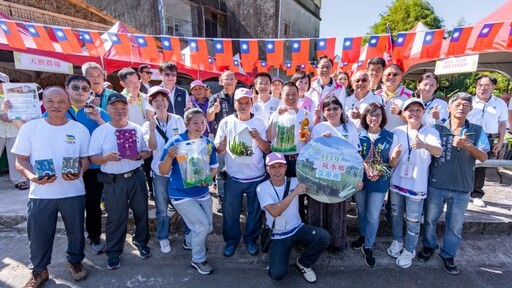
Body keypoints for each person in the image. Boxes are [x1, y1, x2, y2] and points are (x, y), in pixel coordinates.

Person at [12, 87, 91, 286]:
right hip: (40, 193)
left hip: (73, 191)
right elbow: (20, 160)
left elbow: (85, 159)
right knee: (38, 234)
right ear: (43, 103)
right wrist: (32, 176)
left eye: (61, 101)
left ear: (68, 103)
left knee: (76, 232)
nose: (56, 105)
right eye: (50, 101)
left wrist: (80, 172)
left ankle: (75, 261)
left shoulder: (78, 129)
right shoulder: (30, 128)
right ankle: (39, 269)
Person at [419, 92, 489, 275]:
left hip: (462, 188)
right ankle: (429, 246)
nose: (461, 107)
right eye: (457, 104)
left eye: (466, 104)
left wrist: (468, 146)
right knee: (429, 220)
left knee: (455, 225)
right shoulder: (437, 129)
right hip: (436, 184)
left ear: (471, 108)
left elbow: (483, 157)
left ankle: (448, 254)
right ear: (449, 107)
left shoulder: (477, 130)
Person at [89, 93, 152, 270]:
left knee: (142, 212)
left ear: (128, 109)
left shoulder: (136, 129)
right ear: (107, 110)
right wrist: (105, 158)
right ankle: (114, 251)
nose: (119, 111)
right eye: (115, 107)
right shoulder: (101, 131)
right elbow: (93, 158)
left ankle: (141, 241)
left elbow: (147, 151)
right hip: (113, 181)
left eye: (123, 107)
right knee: (116, 217)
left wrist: (139, 155)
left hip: (136, 177)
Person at [158, 108, 218, 274]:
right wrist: (169, 157)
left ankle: (189, 242)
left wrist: (207, 179)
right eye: (195, 122)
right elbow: (162, 171)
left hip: (202, 192)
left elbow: (214, 168)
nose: (200, 126)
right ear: (187, 124)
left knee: (209, 227)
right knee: (201, 227)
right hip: (181, 194)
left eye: (202, 122)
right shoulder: (176, 142)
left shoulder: (207, 143)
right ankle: (198, 259)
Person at [257, 152, 331, 283]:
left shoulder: (295, 181)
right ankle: (276, 259)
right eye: (273, 167)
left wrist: (353, 185)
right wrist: (294, 192)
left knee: (324, 237)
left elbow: (321, 183)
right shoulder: (262, 188)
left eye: (280, 166)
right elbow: (274, 212)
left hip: (297, 228)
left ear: (286, 167)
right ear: (267, 169)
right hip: (278, 235)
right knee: (277, 274)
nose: (277, 170)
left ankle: (304, 263)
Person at [214, 88, 270, 257]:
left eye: (247, 102)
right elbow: (218, 147)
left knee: (254, 212)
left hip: (257, 176)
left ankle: (251, 240)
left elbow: (268, 149)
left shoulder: (260, 122)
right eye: (240, 102)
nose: (244, 106)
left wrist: (258, 139)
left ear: (252, 104)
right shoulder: (226, 122)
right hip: (233, 176)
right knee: (230, 212)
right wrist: (221, 147)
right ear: (234, 103)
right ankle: (231, 241)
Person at [387, 98, 443, 269]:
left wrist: (424, 144)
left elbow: (439, 152)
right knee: (396, 215)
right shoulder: (397, 131)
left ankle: (409, 249)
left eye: (418, 109)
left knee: (412, 219)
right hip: (397, 182)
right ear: (404, 113)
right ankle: (397, 241)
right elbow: (391, 163)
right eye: (410, 110)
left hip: (417, 185)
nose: (414, 113)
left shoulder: (431, 132)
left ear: (423, 112)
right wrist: (395, 156)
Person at [63, 75, 110, 255]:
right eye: (76, 87)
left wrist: (98, 119)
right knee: (72, 206)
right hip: (68, 167)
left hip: (93, 168)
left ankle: (95, 236)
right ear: (67, 88)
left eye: (84, 88)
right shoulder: (58, 110)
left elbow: (111, 134)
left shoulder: (98, 111)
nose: (80, 91)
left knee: (93, 205)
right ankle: (75, 240)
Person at [309, 96, 360, 252]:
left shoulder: (349, 128)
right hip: (320, 176)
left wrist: (354, 178)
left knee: (337, 210)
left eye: (335, 108)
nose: (332, 112)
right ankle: (316, 242)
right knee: (318, 209)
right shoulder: (318, 128)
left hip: (340, 177)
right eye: (328, 109)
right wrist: (321, 142)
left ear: (341, 109)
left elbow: (355, 155)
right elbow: (310, 153)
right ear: (324, 112)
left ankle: (336, 243)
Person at [142, 86, 186, 254]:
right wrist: (152, 130)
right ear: (151, 104)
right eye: (155, 101)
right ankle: (163, 237)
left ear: (168, 102)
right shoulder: (148, 125)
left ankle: (188, 235)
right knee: (162, 208)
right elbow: (152, 147)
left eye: (163, 100)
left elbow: (183, 143)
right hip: (159, 173)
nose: (160, 103)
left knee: (183, 204)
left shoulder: (178, 119)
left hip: (178, 171)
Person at [351, 103, 394, 268]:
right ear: (364, 117)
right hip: (361, 181)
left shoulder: (390, 136)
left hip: (380, 182)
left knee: (373, 215)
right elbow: (355, 155)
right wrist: (366, 168)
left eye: (377, 115)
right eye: (370, 115)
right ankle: (363, 236)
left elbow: (392, 161)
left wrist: (380, 172)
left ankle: (368, 245)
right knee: (361, 211)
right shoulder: (359, 136)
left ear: (382, 117)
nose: (374, 118)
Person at [267, 83, 313, 221]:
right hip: (279, 161)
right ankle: (278, 223)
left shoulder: (306, 115)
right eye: (287, 94)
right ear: (281, 96)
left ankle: (299, 225)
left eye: (294, 94)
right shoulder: (276, 114)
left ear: (299, 95)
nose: (291, 97)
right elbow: (269, 137)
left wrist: (308, 137)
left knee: (298, 195)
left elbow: (310, 141)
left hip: (297, 160)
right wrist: (276, 117)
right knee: (279, 192)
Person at [466, 75, 509, 208]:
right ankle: (463, 191)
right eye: (479, 85)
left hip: (488, 138)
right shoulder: (469, 101)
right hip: (469, 136)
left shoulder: (499, 103)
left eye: (486, 85)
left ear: (493, 87)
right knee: (464, 164)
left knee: (482, 165)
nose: (482, 88)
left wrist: (500, 141)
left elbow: (502, 123)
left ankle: (476, 194)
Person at [207, 71, 237, 213]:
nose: (229, 81)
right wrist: (214, 109)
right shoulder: (216, 97)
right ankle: (222, 197)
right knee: (221, 172)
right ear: (221, 81)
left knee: (235, 172)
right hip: (222, 141)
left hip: (238, 140)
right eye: (226, 79)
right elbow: (209, 117)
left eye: (232, 79)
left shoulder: (240, 96)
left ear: (236, 81)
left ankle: (234, 199)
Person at [0, 72, 29, 190]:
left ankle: (19, 180)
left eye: (2, 83)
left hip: (14, 130)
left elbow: (25, 112)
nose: (0, 85)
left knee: (15, 156)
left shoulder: (16, 96)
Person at [306, 56, 347, 124]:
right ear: (317, 69)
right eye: (322, 67)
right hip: (310, 126)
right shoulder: (310, 86)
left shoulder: (339, 88)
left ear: (332, 69)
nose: (325, 69)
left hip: (330, 126)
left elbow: (342, 109)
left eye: (328, 67)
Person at [376, 64, 413, 130]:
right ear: (382, 77)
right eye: (388, 74)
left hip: (400, 136)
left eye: (395, 74)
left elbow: (414, 119)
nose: (391, 77)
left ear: (401, 77)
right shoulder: (376, 94)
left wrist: (399, 113)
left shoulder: (409, 95)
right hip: (380, 136)